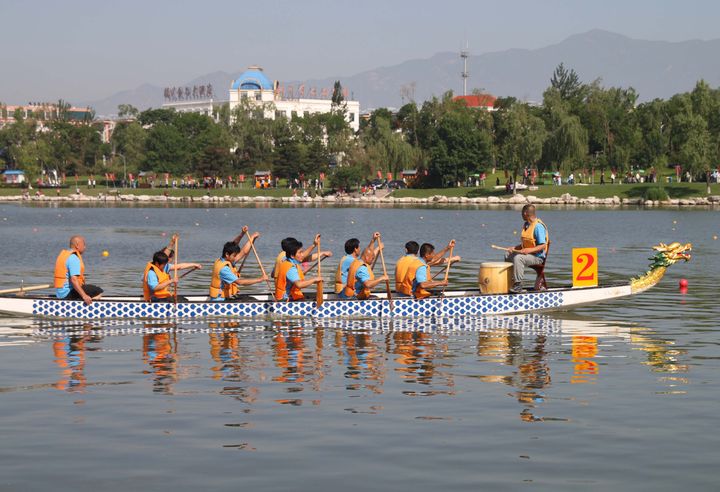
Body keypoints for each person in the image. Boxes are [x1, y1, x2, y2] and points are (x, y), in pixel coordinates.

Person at [504, 204, 549, 294]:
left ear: (525, 213)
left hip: (537, 257)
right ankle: (510, 281)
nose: (521, 215)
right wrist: (514, 248)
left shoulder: (538, 227)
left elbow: (543, 245)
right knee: (507, 254)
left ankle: (518, 285)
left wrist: (528, 250)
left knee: (518, 258)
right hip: (528, 255)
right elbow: (526, 243)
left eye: (521, 213)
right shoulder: (527, 225)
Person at [54, 236, 103, 305]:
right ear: (77, 245)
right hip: (67, 294)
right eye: (84, 244)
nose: (85, 247)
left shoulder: (64, 255)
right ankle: (88, 306)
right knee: (98, 291)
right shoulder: (74, 258)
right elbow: (74, 280)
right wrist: (84, 296)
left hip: (59, 294)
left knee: (88, 289)